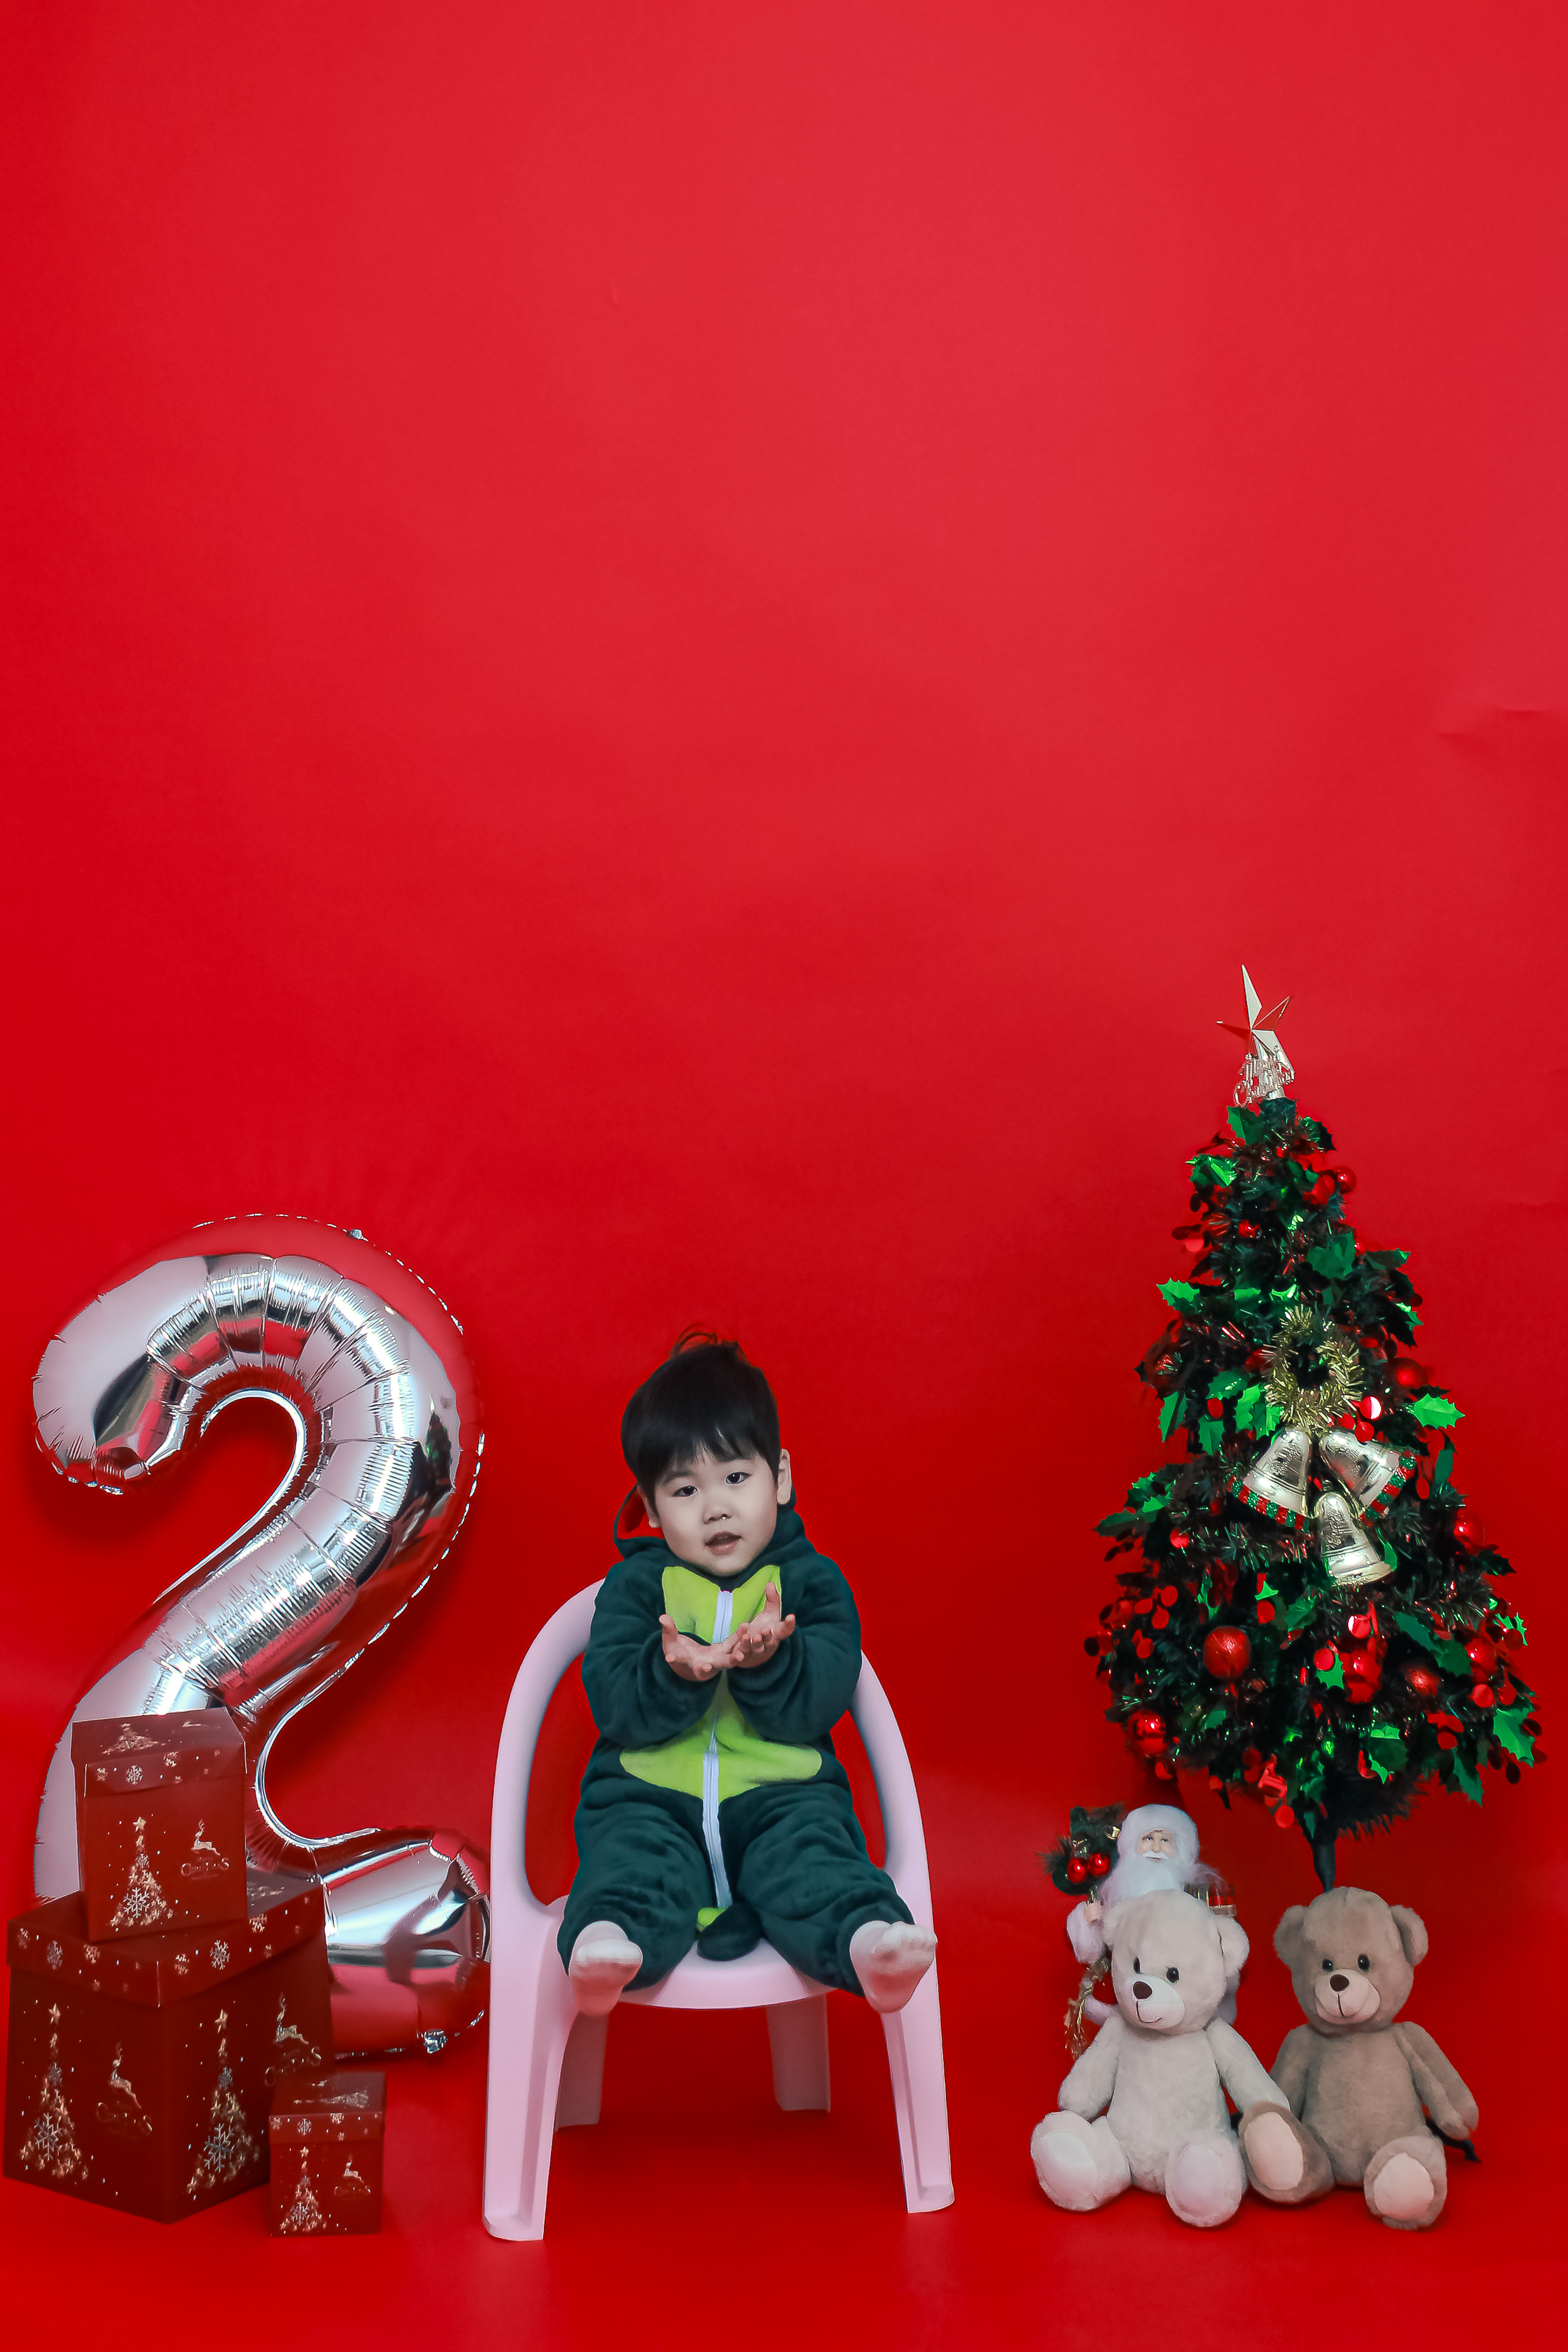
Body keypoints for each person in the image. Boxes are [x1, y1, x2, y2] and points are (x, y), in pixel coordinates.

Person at [560, 1332, 937, 2019]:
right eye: (685, 1489)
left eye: (736, 1478)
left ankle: (869, 1945)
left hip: (783, 1799)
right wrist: (672, 1671)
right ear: (650, 1507)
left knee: (818, 1864)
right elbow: (613, 1705)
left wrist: (771, 1662)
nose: (715, 1508)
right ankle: (604, 1945)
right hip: (651, 1799)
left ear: (780, 1477)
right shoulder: (635, 1589)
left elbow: (821, 1698)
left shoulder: (812, 1584)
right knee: (630, 1865)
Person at [1066, 1803, 1238, 2026]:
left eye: (1165, 1840)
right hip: (1129, 1992)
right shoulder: (1117, 1895)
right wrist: (1087, 1922)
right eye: (1148, 1838)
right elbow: (1093, 1954)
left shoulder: (1197, 1894)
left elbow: (1221, 1948)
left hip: (1181, 1995)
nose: (1156, 1848)